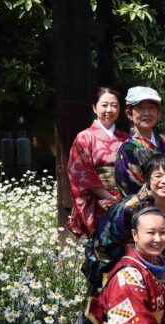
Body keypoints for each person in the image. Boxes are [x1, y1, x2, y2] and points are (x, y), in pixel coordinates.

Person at [84, 154, 165, 294]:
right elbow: (104, 244)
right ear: (146, 179)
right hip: (121, 266)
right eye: (157, 176)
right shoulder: (130, 208)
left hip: (158, 266)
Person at [67, 87, 129, 237]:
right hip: (98, 202)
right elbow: (82, 174)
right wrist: (110, 198)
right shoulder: (84, 137)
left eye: (114, 105)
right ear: (95, 108)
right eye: (104, 105)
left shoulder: (126, 138)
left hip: (126, 200)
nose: (110, 109)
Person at [115, 86, 165, 199]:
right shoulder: (127, 150)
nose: (147, 113)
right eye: (141, 108)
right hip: (146, 212)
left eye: (151, 108)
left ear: (158, 112)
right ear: (129, 113)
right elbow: (131, 188)